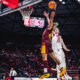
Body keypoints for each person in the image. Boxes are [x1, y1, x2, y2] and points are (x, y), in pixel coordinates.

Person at [39, 2, 66, 79]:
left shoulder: (50, 27)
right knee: (53, 57)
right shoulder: (50, 28)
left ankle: (46, 73)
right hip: (49, 43)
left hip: (45, 43)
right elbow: (49, 21)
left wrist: (54, 9)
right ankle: (62, 68)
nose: (49, 23)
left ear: (52, 24)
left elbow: (52, 18)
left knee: (44, 58)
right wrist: (47, 16)